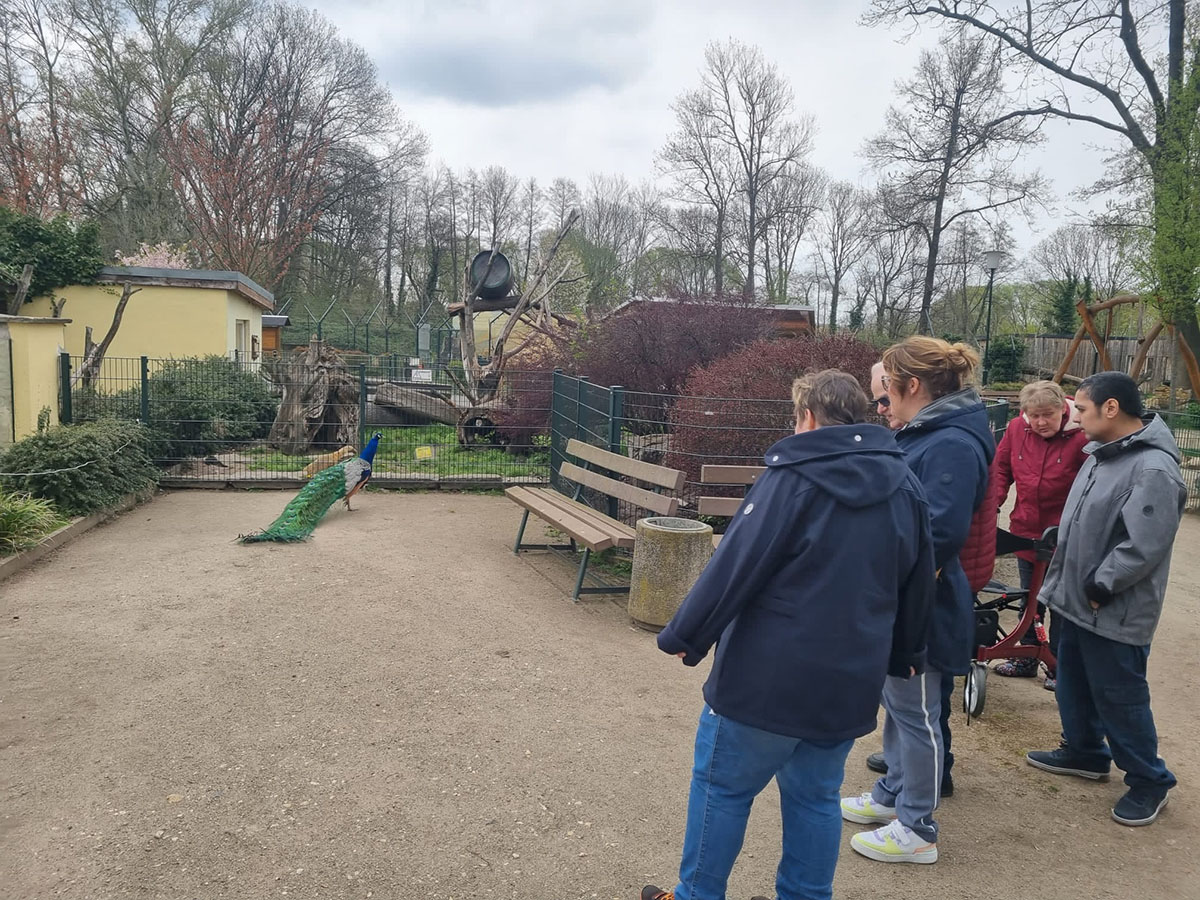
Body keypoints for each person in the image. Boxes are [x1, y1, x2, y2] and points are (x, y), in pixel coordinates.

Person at [643, 369, 935, 900]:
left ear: (806, 417)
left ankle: (695, 896)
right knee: (816, 798)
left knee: (722, 790)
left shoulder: (791, 477)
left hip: (766, 679)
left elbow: (736, 564)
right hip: (848, 678)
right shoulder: (906, 484)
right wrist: (907, 652)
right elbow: (917, 579)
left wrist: (687, 633)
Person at [841, 337, 993, 865]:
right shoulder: (932, 433)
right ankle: (892, 797)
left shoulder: (949, 442)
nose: (883, 407)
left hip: (920, 599)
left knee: (920, 712)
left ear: (912, 386)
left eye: (887, 395)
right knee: (899, 704)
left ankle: (918, 826)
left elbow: (940, 530)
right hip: (901, 593)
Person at [1025, 372, 1185, 827]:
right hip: (1075, 600)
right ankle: (1085, 750)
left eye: (1081, 408)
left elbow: (1145, 544)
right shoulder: (1102, 454)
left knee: (1120, 694)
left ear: (1111, 408)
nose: (1074, 415)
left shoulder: (1152, 469)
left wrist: (1102, 584)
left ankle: (1149, 780)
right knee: (1072, 678)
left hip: (1111, 606)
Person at [990, 380, 1089, 688]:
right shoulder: (1018, 430)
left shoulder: (1082, 435)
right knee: (1031, 598)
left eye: (1048, 414)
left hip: (1067, 533)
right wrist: (992, 503)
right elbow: (1001, 468)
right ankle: (1027, 657)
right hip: (1027, 528)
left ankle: (1059, 664)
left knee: (1061, 602)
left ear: (1063, 410)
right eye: (1034, 415)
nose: (1041, 422)